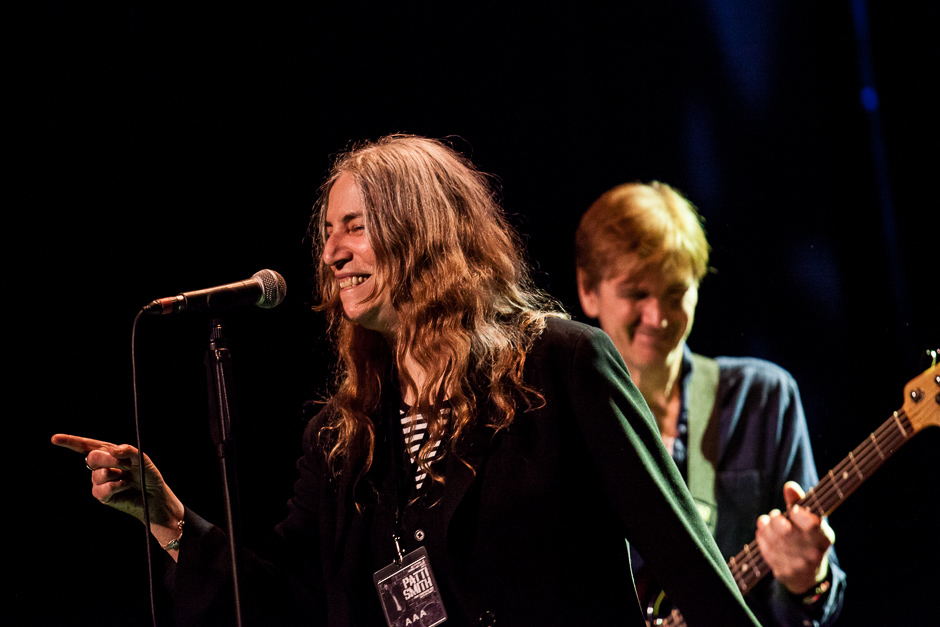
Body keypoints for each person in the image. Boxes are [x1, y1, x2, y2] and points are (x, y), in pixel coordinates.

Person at [52, 135, 762, 627]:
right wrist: (169, 518)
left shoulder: (562, 363)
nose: (332, 251)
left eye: (355, 226)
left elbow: (690, 564)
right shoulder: (345, 437)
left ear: (418, 227)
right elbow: (286, 604)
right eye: (328, 231)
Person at [575, 181, 846, 626]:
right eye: (636, 293)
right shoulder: (567, 425)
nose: (657, 317)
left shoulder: (764, 398)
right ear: (588, 291)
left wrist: (807, 581)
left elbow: (817, 602)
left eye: (676, 291)